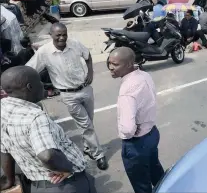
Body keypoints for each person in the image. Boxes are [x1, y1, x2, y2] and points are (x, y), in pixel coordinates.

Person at [1, 66, 96, 193]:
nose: (43, 85)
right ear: (30, 87)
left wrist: (9, 180)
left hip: (38, 187)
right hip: (66, 185)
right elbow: (47, 156)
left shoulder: (3, 109)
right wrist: (68, 168)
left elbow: (4, 150)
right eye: (39, 81)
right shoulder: (35, 117)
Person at [26, 23, 108, 170]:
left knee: (88, 122)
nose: (62, 38)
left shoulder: (75, 44)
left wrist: (90, 73)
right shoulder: (44, 52)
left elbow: (88, 56)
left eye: (64, 34)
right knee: (86, 125)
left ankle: (88, 149)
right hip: (68, 95)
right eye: (58, 35)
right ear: (51, 35)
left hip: (85, 89)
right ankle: (99, 155)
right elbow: (30, 71)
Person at [107, 48, 165, 193]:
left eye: (115, 64)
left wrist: (130, 132)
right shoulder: (144, 75)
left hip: (136, 144)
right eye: (109, 63)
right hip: (152, 133)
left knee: (141, 185)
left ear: (129, 64)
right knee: (156, 171)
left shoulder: (127, 91)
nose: (110, 68)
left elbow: (127, 129)